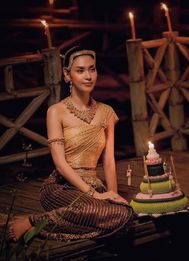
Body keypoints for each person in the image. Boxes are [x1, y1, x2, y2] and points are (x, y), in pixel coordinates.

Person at [8, 46, 133, 241]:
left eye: (92, 69)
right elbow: (60, 164)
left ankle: (43, 226)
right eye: (81, 70)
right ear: (67, 75)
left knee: (124, 214)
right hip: (61, 186)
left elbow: (109, 161)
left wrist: (112, 196)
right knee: (92, 209)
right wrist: (94, 195)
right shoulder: (56, 111)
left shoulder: (107, 112)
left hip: (94, 185)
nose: (88, 76)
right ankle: (32, 221)